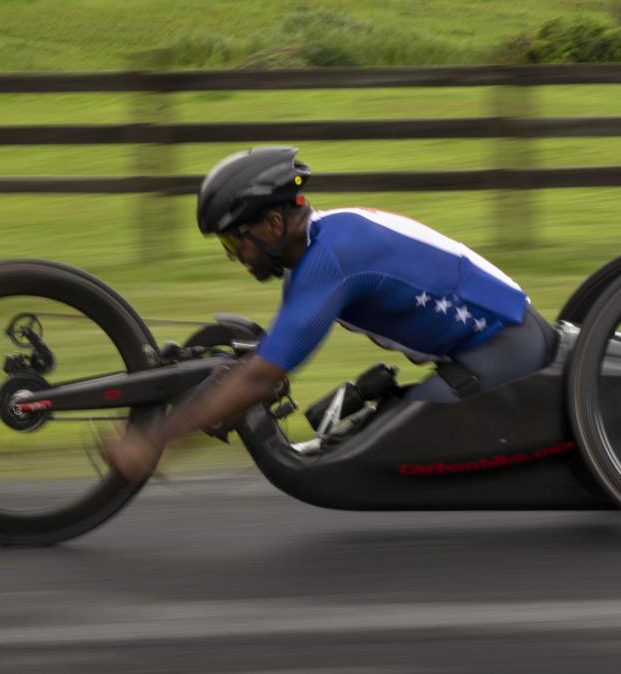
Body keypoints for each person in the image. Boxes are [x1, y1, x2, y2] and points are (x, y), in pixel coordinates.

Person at [103, 146, 559, 482]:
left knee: (381, 460)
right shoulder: (326, 238)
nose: (232, 256)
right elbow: (276, 354)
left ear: (273, 225)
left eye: (232, 241)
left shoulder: (329, 263)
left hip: (506, 351)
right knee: (358, 433)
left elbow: (261, 375)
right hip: (492, 340)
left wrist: (156, 440)